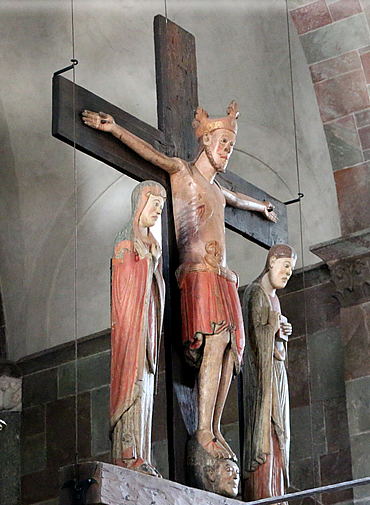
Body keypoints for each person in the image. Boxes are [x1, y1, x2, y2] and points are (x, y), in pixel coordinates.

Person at [83, 102, 277, 469]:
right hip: (198, 272)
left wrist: (261, 206)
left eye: (230, 146)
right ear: (204, 141)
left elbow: (237, 200)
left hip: (223, 276)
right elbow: (151, 153)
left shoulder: (219, 191)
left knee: (233, 352)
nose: (226, 151)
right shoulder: (182, 172)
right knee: (215, 340)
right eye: (222, 142)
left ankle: (215, 427)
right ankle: (202, 429)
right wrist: (113, 129)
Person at [108, 180, 166, 477]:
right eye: (154, 203)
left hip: (147, 327)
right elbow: (124, 288)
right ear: (139, 203)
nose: (158, 210)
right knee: (132, 387)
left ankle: (142, 453)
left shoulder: (151, 246)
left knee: (145, 391)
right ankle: (127, 454)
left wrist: (153, 262)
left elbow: (156, 289)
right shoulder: (127, 240)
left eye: (161, 205)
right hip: (131, 331)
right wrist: (146, 262)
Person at [241, 244, 296, 505]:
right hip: (261, 377)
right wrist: (272, 328)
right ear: (272, 261)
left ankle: (279, 496)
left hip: (276, 372)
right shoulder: (255, 293)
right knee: (267, 430)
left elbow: (275, 343)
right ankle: (265, 493)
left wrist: (282, 333)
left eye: (291, 269)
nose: (288, 273)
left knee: (280, 432)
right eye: (285, 266)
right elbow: (252, 338)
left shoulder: (274, 298)